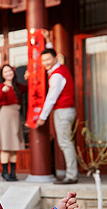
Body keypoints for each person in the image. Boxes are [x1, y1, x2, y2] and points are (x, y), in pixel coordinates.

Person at [36, 29, 78, 184]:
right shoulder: (59, 67)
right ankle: (70, 173)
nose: (46, 63)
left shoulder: (57, 75)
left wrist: (41, 118)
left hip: (63, 110)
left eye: (48, 59)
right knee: (66, 142)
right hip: (66, 110)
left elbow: (51, 98)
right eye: (43, 60)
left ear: (55, 58)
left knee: (65, 143)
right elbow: (50, 51)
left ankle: (72, 175)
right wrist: (47, 40)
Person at [0, 64, 28, 181]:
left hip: (16, 116)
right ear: (2, 75)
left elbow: (29, 89)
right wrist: (3, 91)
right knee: (5, 146)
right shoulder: (2, 86)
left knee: (14, 145)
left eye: (10, 70)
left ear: (13, 72)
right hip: (6, 116)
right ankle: (5, 172)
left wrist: (28, 77)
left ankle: (13, 173)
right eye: (5, 72)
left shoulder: (17, 86)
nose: (8, 73)